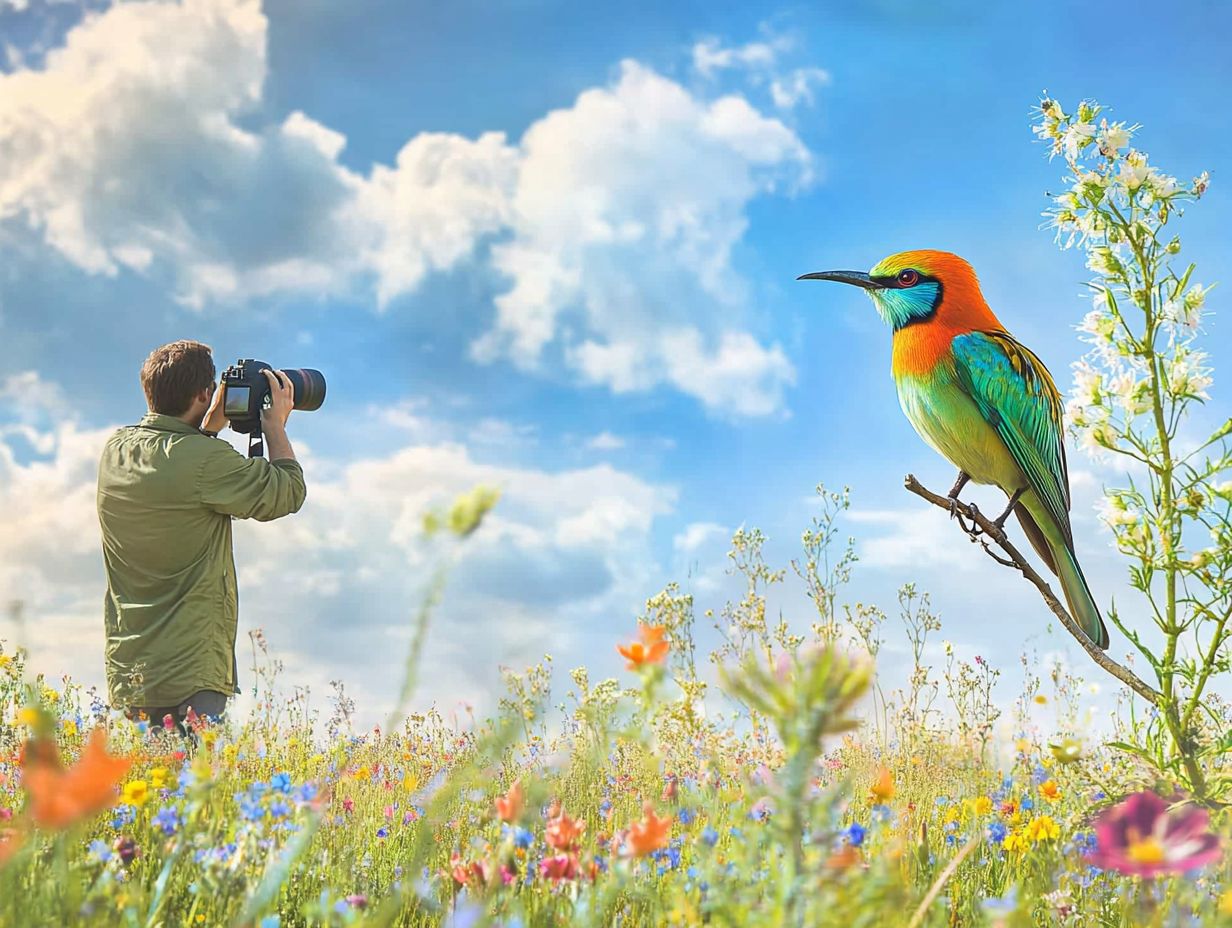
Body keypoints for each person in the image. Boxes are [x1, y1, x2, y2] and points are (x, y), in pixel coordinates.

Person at [96, 340, 307, 731]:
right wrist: (273, 426)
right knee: (195, 788)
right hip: (191, 673)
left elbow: (178, 471)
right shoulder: (206, 463)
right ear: (203, 393)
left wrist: (208, 424)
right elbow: (286, 492)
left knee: (148, 788)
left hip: (132, 666)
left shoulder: (117, 450)